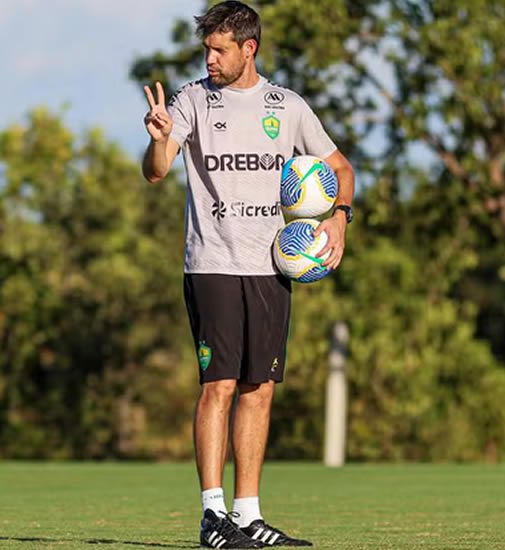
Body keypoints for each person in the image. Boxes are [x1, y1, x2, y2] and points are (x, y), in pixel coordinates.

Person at [141, 1, 354, 548]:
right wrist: (159, 136)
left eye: (219, 49)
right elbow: (157, 171)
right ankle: (212, 515)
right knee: (219, 385)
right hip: (211, 262)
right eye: (206, 49)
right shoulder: (191, 99)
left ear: (248, 49)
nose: (209, 58)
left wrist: (339, 217)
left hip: (271, 266)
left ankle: (248, 516)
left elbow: (340, 169)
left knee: (259, 389)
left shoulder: (286, 106)